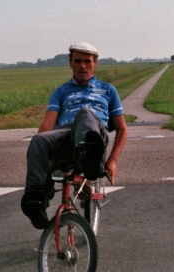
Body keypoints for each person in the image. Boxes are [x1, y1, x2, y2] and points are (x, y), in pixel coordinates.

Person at [21, 42, 128, 229]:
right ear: (70, 63)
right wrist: (44, 148)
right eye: (77, 61)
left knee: (85, 112)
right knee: (38, 140)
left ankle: (89, 160)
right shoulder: (61, 91)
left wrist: (112, 160)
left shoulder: (108, 90)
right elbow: (48, 123)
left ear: (95, 64)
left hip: (94, 132)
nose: (82, 66)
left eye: (87, 61)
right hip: (67, 135)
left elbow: (122, 129)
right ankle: (34, 201)